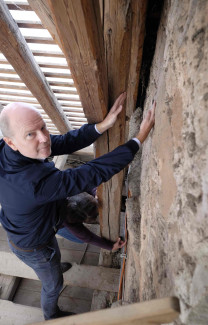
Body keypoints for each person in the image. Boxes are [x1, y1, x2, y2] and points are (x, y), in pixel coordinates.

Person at [0, 93, 156, 320]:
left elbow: (60, 142)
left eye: (43, 127)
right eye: (31, 134)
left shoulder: (10, 150)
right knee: (53, 284)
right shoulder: (37, 187)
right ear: (11, 141)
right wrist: (138, 139)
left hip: (29, 223)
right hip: (34, 246)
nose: (44, 138)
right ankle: (51, 315)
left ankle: (52, 268)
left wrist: (100, 127)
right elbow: (91, 173)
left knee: (52, 262)